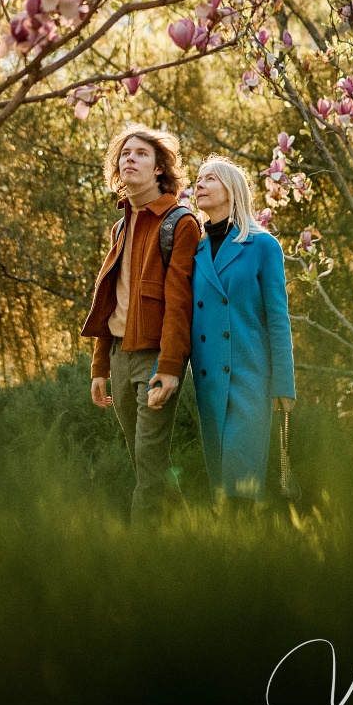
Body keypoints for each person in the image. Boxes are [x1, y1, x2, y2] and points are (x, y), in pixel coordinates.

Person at [81, 125, 200, 521]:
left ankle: (137, 560)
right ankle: (192, 544)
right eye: (125, 153)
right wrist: (100, 367)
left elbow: (180, 303)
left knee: (149, 464)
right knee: (146, 464)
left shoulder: (180, 223)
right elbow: (109, 300)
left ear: (160, 170)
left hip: (154, 358)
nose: (130, 158)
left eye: (141, 154)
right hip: (118, 356)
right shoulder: (119, 227)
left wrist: (169, 368)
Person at [191, 157, 296, 504]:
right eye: (198, 179)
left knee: (244, 482)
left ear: (231, 190)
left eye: (210, 179)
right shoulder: (196, 250)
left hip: (250, 380)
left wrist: (284, 384)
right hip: (207, 383)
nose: (199, 184)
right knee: (217, 486)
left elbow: (278, 319)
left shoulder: (263, 245)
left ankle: (251, 549)